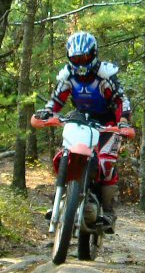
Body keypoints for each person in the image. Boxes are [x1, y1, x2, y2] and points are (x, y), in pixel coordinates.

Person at [33, 31, 131, 232]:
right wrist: (48, 112)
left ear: (93, 54)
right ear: (70, 58)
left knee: (105, 162)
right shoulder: (68, 77)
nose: (81, 62)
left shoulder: (105, 77)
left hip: (107, 125)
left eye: (85, 57)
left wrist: (123, 121)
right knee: (65, 155)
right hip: (79, 121)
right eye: (76, 58)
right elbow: (57, 100)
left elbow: (121, 100)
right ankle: (58, 202)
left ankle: (108, 212)